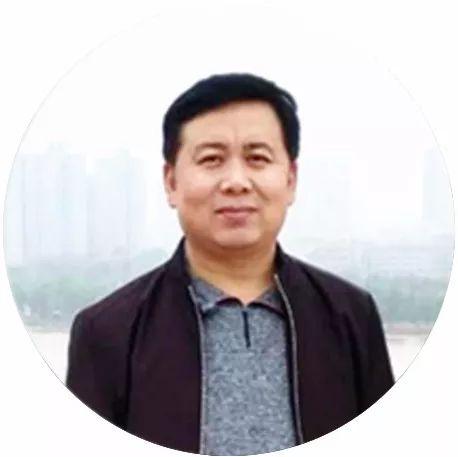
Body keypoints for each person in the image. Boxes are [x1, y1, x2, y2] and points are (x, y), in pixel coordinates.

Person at [66, 73, 394, 455]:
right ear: (171, 182)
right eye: (211, 160)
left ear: (290, 179)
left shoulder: (351, 317)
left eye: (257, 158)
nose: (236, 182)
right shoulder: (108, 332)